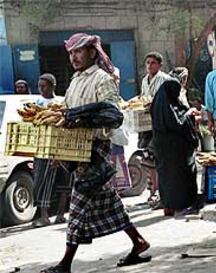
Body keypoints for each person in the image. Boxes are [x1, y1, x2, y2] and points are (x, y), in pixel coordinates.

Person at [39, 33, 150, 273]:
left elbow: (111, 115)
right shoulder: (76, 81)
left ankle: (65, 264)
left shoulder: (102, 79)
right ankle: (138, 242)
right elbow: (66, 114)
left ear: (91, 52)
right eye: (70, 53)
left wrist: (81, 117)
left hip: (95, 151)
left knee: (78, 207)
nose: (73, 57)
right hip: (77, 152)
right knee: (111, 205)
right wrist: (59, 150)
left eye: (78, 51)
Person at [150, 79, 200, 217]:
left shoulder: (159, 105)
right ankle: (181, 205)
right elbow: (178, 124)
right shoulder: (170, 108)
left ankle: (168, 205)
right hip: (177, 150)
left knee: (166, 177)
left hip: (162, 148)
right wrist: (189, 113)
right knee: (180, 177)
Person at [32, 73, 71, 228]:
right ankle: (44, 216)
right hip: (43, 149)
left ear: (52, 86)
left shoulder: (61, 102)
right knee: (43, 183)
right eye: (39, 86)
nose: (41, 89)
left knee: (64, 182)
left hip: (61, 148)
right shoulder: (37, 103)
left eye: (44, 86)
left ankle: (61, 214)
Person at [138, 51, 170, 149]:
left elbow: (167, 100)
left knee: (158, 148)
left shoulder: (165, 79)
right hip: (146, 121)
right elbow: (143, 96)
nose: (149, 65)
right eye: (147, 63)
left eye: (153, 63)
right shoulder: (144, 80)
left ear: (160, 65)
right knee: (144, 147)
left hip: (160, 120)